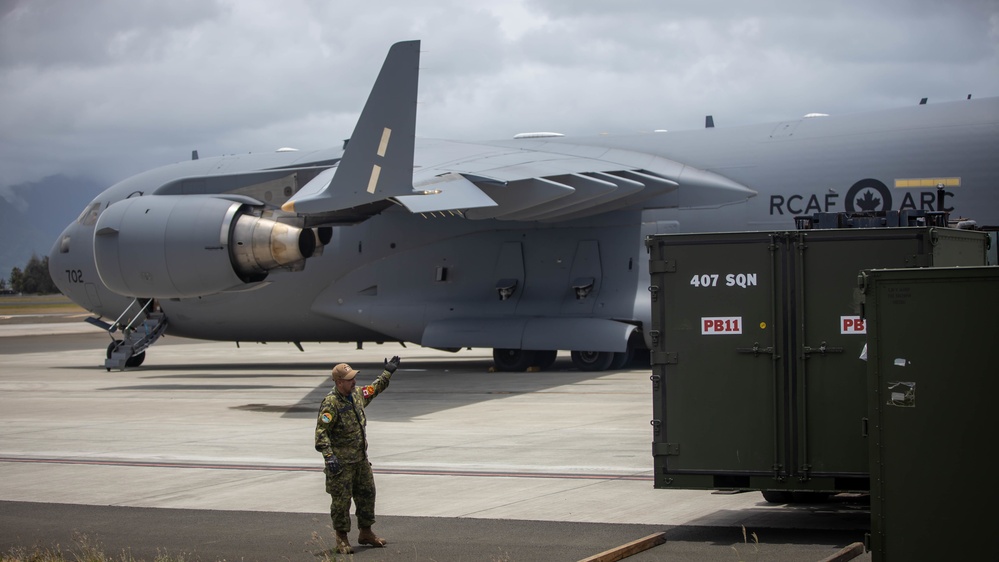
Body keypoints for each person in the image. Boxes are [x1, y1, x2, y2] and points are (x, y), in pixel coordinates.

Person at [315, 356, 400, 554]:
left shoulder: (357, 394)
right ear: (338, 382)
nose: (354, 381)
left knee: (367, 495)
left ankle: (366, 532)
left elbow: (374, 388)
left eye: (353, 377)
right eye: (349, 379)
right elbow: (321, 433)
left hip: (360, 460)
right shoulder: (331, 403)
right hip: (341, 464)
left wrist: (387, 372)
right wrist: (329, 457)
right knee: (341, 502)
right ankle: (342, 539)